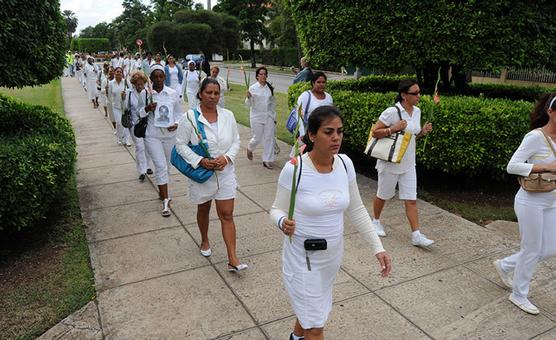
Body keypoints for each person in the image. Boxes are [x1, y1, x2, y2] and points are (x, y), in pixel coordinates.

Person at [270, 105, 391, 340]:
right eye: (328, 132)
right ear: (312, 135)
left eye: (340, 131)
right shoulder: (295, 169)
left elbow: (356, 208)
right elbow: (275, 209)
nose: (336, 137)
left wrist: (378, 247)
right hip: (302, 259)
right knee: (315, 327)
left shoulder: (345, 164)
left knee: (311, 312)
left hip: (331, 258)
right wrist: (282, 221)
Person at [175, 78, 247, 272]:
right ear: (200, 93)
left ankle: (232, 258)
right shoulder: (190, 117)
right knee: (204, 208)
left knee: (227, 214)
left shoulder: (228, 115)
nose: (213, 97)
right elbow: (180, 144)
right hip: (203, 174)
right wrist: (200, 161)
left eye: (216, 93)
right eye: (209, 92)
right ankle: (204, 239)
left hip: (225, 172)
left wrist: (227, 158)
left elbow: (236, 141)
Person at [493, 93, 556, 315]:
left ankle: (506, 265)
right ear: (550, 111)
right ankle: (519, 294)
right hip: (530, 201)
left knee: (550, 248)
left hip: (552, 200)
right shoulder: (535, 137)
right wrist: (545, 167)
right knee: (531, 249)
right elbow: (512, 166)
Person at [370, 79, 435, 247]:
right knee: (383, 195)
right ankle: (375, 221)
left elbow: (412, 136)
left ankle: (416, 235)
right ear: (404, 95)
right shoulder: (392, 112)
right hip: (390, 162)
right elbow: (375, 132)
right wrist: (393, 128)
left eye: (419, 92)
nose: (419, 96)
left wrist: (422, 132)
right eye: (415, 93)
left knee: (411, 199)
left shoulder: (418, 111)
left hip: (408, 163)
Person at [138, 64, 182, 216]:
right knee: (160, 166)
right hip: (152, 135)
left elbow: (179, 114)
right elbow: (139, 114)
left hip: (169, 136)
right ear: (150, 78)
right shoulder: (145, 93)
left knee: (167, 167)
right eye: (155, 76)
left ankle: (162, 189)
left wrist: (176, 124)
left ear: (165, 77)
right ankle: (165, 200)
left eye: (160, 76)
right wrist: (147, 108)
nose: (158, 79)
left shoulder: (172, 93)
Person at [245, 66, 277, 169]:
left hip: (268, 116)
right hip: (256, 116)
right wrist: (248, 97)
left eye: (264, 74)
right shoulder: (253, 88)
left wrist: (274, 117)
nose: (263, 76)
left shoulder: (269, 88)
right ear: (257, 76)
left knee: (269, 138)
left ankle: (267, 160)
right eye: (261, 74)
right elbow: (248, 104)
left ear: (266, 76)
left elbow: (272, 104)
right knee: (257, 138)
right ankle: (250, 147)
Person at [126, 71, 154, 182]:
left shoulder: (148, 93)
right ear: (134, 84)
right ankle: (141, 170)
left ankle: (148, 166)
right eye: (137, 84)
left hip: (146, 123)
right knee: (139, 146)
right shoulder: (129, 93)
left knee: (147, 146)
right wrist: (123, 99)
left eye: (142, 84)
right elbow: (125, 108)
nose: (140, 86)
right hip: (134, 124)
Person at [296, 71, 334, 138]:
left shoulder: (329, 97)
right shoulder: (305, 96)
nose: (321, 84)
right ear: (313, 83)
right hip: (309, 134)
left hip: (325, 134)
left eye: (323, 82)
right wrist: (302, 133)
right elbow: (298, 115)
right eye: (318, 82)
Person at [109, 66, 132, 146]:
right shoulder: (111, 83)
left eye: (120, 72)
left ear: (122, 73)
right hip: (116, 106)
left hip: (125, 106)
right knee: (119, 123)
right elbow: (109, 95)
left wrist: (125, 95)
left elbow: (131, 91)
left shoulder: (125, 82)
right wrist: (113, 102)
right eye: (117, 71)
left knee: (126, 123)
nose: (119, 73)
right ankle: (119, 138)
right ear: (114, 73)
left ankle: (127, 139)